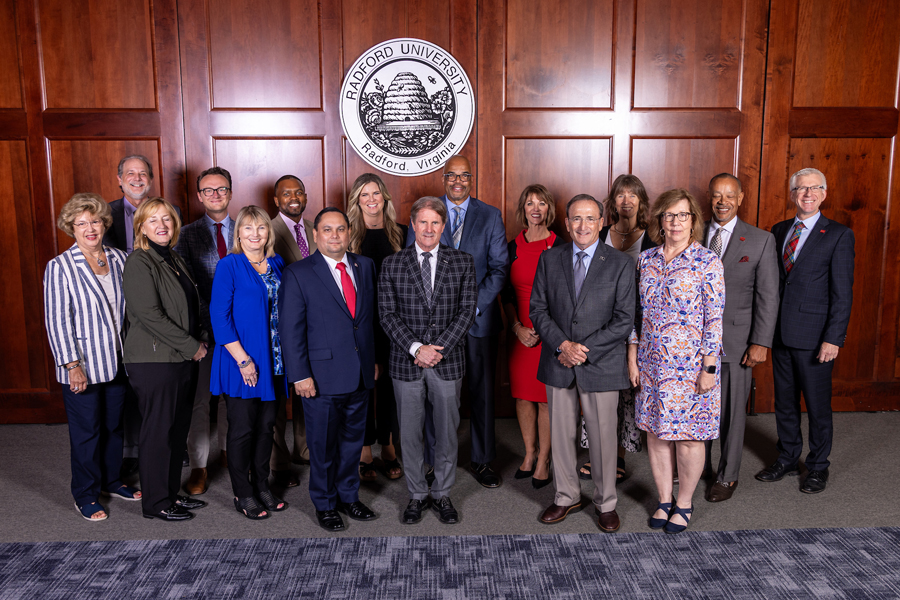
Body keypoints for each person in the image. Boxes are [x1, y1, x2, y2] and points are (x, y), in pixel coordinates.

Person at [530, 194, 635, 533]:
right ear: (566, 222)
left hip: (600, 363)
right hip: (558, 360)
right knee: (561, 436)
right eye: (576, 218)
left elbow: (624, 319)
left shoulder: (619, 263)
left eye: (590, 218)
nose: (583, 226)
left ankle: (605, 503)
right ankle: (566, 497)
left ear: (602, 222)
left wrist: (583, 349)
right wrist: (563, 345)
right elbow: (538, 310)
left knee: (604, 439)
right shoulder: (550, 259)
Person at [405, 155, 508, 488]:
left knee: (481, 392)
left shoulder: (490, 216)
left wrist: (471, 308)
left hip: (478, 320)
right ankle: (434, 461)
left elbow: (498, 269)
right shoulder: (425, 215)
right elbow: (413, 265)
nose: (459, 181)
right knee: (434, 395)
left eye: (465, 175)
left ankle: (481, 460)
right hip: (434, 326)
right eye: (452, 175)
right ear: (443, 178)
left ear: (471, 179)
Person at [628, 189, 725, 534]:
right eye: (669, 215)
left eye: (683, 215)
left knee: (688, 437)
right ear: (659, 221)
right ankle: (664, 499)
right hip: (652, 363)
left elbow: (715, 318)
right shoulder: (647, 260)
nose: (676, 221)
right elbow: (636, 315)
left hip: (691, 367)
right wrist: (633, 355)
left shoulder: (707, 262)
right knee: (656, 435)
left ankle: (684, 503)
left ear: (693, 220)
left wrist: (710, 367)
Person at [755, 168, 855, 494]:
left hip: (815, 338)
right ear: (792, 194)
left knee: (816, 405)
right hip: (781, 334)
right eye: (801, 188)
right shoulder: (780, 230)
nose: (807, 194)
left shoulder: (838, 234)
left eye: (814, 188)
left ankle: (817, 467)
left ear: (824, 194)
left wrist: (833, 338)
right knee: (784, 402)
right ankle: (786, 457)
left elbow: (843, 293)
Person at [279, 207, 377, 532]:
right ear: (316, 234)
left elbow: (367, 322)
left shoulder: (365, 266)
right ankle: (324, 503)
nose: (334, 236)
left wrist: (372, 360)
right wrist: (299, 374)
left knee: (353, 443)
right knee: (321, 448)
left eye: (340, 229)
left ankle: (349, 496)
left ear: (349, 233)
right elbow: (290, 330)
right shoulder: (298, 273)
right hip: (319, 378)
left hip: (360, 372)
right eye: (327, 230)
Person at [44, 193, 141, 521]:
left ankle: (112, 481)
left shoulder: (119, 258)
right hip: (82, 365)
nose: (90, 228)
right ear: (71, 227)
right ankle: (85, 493)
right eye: (81, 223)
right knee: (87, 431)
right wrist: (72, 365)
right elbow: (57, 320)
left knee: (115, 426)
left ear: (105, 223)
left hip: (118, 360)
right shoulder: (60, 266)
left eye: (95, 221)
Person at [383, 197, 477, 524]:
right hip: (405, 363)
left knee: (447, 431)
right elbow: (387, 314)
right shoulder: (393, 263)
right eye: (423, 222)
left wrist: (437, 348)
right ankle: (417, 493)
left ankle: (442, 493)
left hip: (447, 361)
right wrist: (415, 348)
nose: (429, 228)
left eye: (435, 222)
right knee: (409, 433)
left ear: (443, 226)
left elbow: (467, 313)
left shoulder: (463, 262)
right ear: (412, 224)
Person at [123, 197, 209, 521]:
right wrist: (192, 346)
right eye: (153, 220)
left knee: (176, 431)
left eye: (167, 220)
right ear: (141, 227)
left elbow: (188, 305)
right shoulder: (139, 262)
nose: (162, 226)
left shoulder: (173, 257)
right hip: (154, 361)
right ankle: (156, 502)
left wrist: (199, 338)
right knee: (158, 433)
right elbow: (149, 316)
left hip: (181, 358)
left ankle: (171, 495)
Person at [701, 173, 779, 502]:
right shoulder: (692, 232)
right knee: (699, 409)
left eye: (729, 196)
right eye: (717, 195)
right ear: (710, 197)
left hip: (738, 341)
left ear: (741, 198)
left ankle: (728, 476)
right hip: (694, 342)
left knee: (732, 415)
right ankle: (698, 468)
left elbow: (769, 296)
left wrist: (761, 342)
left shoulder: (760, 240)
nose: (722, 201)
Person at [103, 155, 181, 478]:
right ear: (119, 179)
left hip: (154, 320)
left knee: (151, 395)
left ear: (151, 179)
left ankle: (146, 453)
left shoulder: (165, 214)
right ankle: (124, 458)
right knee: (119, 391)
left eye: (143, 173)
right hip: (112, 314)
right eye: (130, 174)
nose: (137, 178)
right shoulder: (103, 215)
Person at [210, 205, 287, 520]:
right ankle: (243, 492)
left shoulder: (278, 263)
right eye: (248, 229)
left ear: (268, 233)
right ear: (238, 233)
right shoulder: (229, 265)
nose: (255, 235)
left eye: (261, 228)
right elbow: (220, 318)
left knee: (266, 427)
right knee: (243, 428)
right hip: (241, 360)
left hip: (275, 362)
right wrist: (243, 361)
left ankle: (263, 485)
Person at [579, 174, 657, 484]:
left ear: (641, 201)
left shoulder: (652, 236)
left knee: (627, 392)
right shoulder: (600, 233)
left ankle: (619, 457)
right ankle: (596, 453)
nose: (626, 201)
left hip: (639, 322)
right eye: (620, 195)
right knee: (598, 387)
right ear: (612, 202)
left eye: (632, 195)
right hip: (600, 321)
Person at [174, 166, 234, 495]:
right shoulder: (184, 234)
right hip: (203, 333)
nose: (215, 195)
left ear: (230, 192)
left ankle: (226, 451)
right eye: (208, 190)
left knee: (230, 397)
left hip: (239, 333)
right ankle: (199, 466)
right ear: (199, 196)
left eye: (221, 189)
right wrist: (199, 331)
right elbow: (184, 289)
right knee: (200, 401)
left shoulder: (246, 229)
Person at [501, 184, 563, 489]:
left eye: (541, 203)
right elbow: (506, 293)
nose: (535, 208)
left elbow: (568, 297)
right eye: (529, 203)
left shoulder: (560, 246)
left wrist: (547, 331)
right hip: (520, 333)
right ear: (522, 210)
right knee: (523, 397)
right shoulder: (512, 246)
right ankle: (529, 452)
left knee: (545, 401)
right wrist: (517, 328)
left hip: (549, 335)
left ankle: (544, 460)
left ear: (549, 208)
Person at [347, 173, 407, 481]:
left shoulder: (402, 233)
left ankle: (389, 443)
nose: (371, 200)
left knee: (390, 385)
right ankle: (364, 447)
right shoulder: (349, 236)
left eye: (376, 193)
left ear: (384, 197)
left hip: (396, 321)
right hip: (361, 322)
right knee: (363, 384)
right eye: (364, 195)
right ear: (357, 201)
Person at [267, 174, 317, 487]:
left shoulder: (315, 229)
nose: (294, 197)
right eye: (286, 193)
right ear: (276, 200)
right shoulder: (265, 230)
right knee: (274, 395)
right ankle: (279, 462)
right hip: (276, 324)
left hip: (313, 326)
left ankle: (304, 448)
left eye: (299, 191)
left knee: (306, 389)